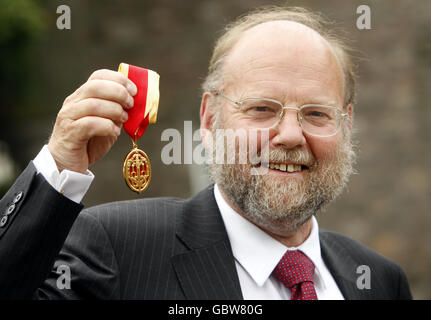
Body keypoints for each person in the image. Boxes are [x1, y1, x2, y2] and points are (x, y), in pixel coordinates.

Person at [0, 6, 412, 300]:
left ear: (346, 125)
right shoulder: (118, 249)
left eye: (317, 113)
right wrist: (58, 167)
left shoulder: (378, 281)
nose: (289, 135)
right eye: (261, 109)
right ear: (210, 119)